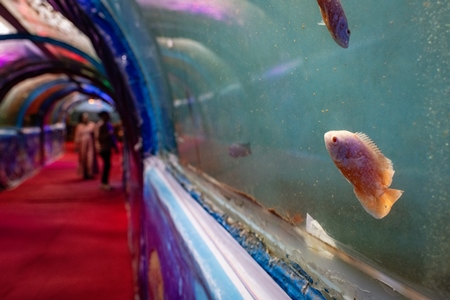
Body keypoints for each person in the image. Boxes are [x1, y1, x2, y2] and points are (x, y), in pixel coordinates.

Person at [95, 111, 118, 190]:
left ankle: (105, 182)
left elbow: (112, 138)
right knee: (107, 165)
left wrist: (115, 146)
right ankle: (104, 182)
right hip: (103, 147)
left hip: (107, 147)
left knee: (107, 165)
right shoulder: (101, 125)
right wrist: (108, 134)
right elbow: (98, 137)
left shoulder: (108, 125)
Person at [74, 112, 96, 179]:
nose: (85, 119)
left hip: (90, 143)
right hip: (82, 144)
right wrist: (76, 146)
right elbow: (77, 136)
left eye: (86, 117)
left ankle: (90, 172)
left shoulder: (92, 125)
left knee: (90, 157)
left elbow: (95, 135)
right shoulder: (79, 126)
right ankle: (84, 173)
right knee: (83, 158)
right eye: (84, 117)